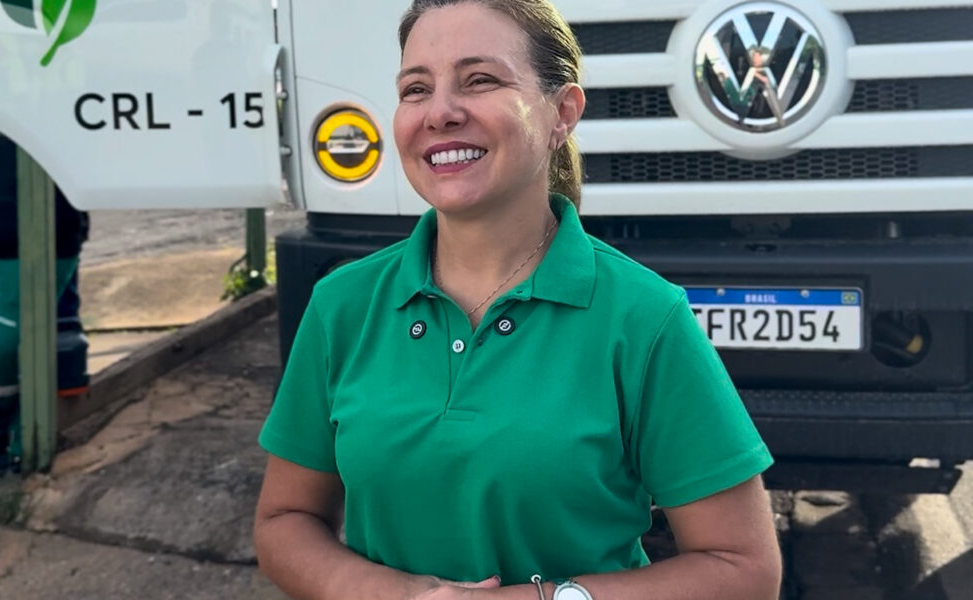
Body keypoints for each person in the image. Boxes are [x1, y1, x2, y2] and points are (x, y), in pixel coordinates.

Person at [254, 1, 782, 598]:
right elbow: (284, 520)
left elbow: (743, 570)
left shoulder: (644, 318)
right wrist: (399, 596)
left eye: (480, 80)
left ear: (563, 112)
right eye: (416, 89)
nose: (440, 112)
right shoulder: (342, 305)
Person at [0, 121, 88, 478]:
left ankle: (2, 432)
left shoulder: (52, 106)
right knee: (6, 346)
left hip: (43, 245)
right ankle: (6, 425)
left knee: (5, 347)